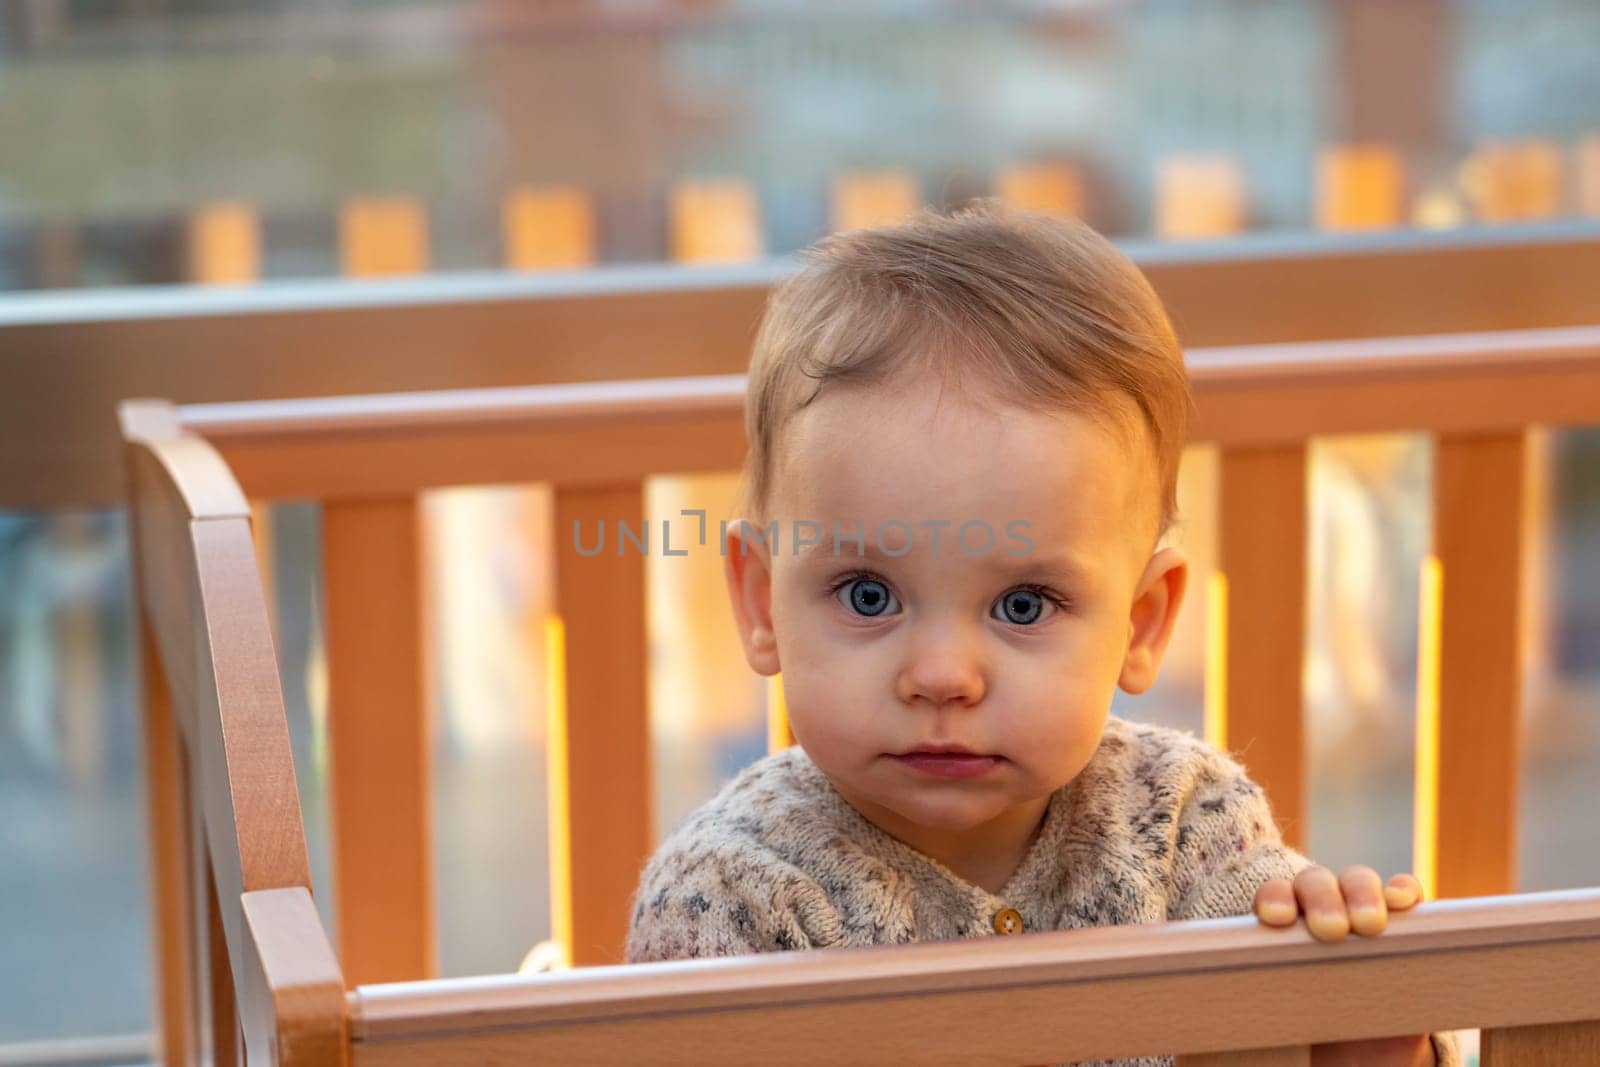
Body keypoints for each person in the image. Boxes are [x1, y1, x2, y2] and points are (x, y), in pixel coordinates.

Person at [624, 202, 1457, 1067]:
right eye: (869, 594)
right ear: (763, 605)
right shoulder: (727, 900)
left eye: (1023, 604)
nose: (942, 675)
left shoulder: (1185, 823)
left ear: (1141, 622)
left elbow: (1289, 1033)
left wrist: (1365, 1020)